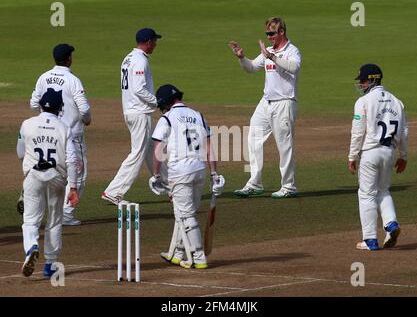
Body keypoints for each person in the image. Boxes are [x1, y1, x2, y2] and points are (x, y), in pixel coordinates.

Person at [150, 84, 225, 269]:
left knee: (186, 214)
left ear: (165, 103)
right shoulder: (198, 115)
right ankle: (176, 253)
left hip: (179, 172)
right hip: (199, 171)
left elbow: (158, 150)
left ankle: (198, 257)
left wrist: (157, 175)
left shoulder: (167, 118)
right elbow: (209, 148)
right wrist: (214, 173)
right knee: (183, 213)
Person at [229, 17, 302, 198]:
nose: (269, 37)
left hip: (284, 102)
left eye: (272, 33)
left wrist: (272, 57)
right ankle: (255, 183)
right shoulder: (268, 51)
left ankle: (288, 186)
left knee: (284, 146)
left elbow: (294, 67)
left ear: (282, 32)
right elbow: (252, 67)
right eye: (267, 34)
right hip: (266, 102)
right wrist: (241, 57)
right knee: (253, 137)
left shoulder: (292, 51)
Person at [18, 88, 80, 277]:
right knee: (54, 220)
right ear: (59, 108)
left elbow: (20, 153)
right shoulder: (64, 128)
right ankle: (50, 265)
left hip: (33, 176)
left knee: (30, 220)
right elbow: (71, 160)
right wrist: (74, 187)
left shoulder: (26, 124)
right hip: (56, 178)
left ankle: (31, 249)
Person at [29, 43, 91, 226]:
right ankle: (66, 213)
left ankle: (45, 211)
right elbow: (84, 109)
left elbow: (33, 104)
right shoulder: (73, 80)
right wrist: (86, 120)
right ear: (69, 58)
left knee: (51, 170)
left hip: (48, 133)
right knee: (77, 173)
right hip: (72, 135)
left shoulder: (44, 77)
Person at [348, 64, 408, 251]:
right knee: (383, 190)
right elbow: (404, 131)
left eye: (364, 81)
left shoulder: (364, 101)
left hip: (370, 153)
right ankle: (391, 224)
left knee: (366, 194)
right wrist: (403, 155)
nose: (362, 84)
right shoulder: (397, 101)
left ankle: (370, 240)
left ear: (373, 79)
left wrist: (352, 156)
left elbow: (358, 132)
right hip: (389, 152)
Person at [101, 28, 162, 205]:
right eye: (154, 41)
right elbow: (139, 89)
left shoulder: (128, 58)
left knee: (151, 149)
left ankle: (165, 183)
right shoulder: (140, 60)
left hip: (132, 110)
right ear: (149, 41)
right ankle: (114, 192)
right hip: (139, 112)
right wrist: (156, 102)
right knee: (138, 153)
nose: (156, 44)